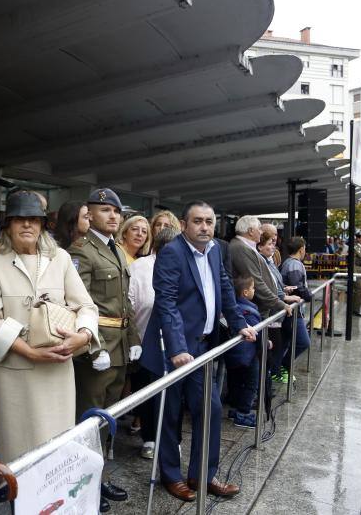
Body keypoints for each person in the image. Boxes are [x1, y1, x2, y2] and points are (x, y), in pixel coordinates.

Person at [140, 201, 256, 502]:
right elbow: (166, 303)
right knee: (170, 413)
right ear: (184, 224)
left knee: (211, 408)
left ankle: (202, 475)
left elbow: (225, 287)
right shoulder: (172, 253)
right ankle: (171, 476)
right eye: (198, 221)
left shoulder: (217, 249)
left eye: (209, 221)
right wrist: (177, 348)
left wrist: (238, 323)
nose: (205, 227)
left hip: (203, 346)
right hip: (173, 349)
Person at [0, 191, 99, 464]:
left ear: (43, 224)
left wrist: (83, 336)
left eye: (34, 219)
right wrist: (31, 353)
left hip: (56, 371)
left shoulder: (62, 258)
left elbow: (86, 307)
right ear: (8, 225)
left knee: (57, 456)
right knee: (19, 455)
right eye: (20, 220)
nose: (27, 225)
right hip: (12, 374)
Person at [67, 188, 139, 512]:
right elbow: (76, 305)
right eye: (105, 210)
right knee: (89, 419)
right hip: (98, 350)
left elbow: (125, 304)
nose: (113, 216)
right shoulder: (82, 251)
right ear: (90, 213)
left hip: (120, 347)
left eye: (116, 212)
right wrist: (92, 348)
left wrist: (134, 338)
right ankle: (84, 486)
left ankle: (100, 477)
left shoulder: (116, 250)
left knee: (108, 419)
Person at [127, 226, 179, 458]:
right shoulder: (139, 267)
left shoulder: (185, 268)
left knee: (174, 395)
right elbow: (130, 304)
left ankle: (172, 438)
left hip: (176, 341)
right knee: (147, 392)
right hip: (145, 340)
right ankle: (149, 437)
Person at [256, 232, 303, 383]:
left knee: (279, 345)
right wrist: (284, 297)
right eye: (270, 243)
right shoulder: (262, 262)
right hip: (271, 313)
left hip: (277, 313)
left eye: (274, 243)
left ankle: (271, 376)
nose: (273, 247)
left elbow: (276, 284)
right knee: (274, 348)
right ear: (260, 246)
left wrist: (284, 289)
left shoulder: (269, 262)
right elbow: (266, 287)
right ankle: (271, 376)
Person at [224, 275, 262, 429]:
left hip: (234, 356)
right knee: (251, 384)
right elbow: (255, 332)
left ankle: (235, 409)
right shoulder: (248, 311)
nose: (254, 290)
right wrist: (265, 342)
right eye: (253, 288)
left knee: (236, 382)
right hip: (248, 356)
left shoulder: (235, 309)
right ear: (245, 292)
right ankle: (243, 413)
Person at [280, 237, 313, 377]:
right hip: (292, 310)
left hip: (290, 309)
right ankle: (284, 366)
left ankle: (278, 368)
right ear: (301, 249)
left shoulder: (288, 262)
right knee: (303, 342)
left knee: (286, 342)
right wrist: (308, 295)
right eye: (304, 248)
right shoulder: (294, 265)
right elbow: (297, 286)